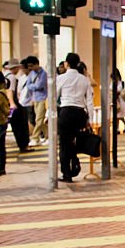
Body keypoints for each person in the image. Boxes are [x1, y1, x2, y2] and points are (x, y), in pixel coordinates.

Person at [55, 53, 93, 183]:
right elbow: (89, 101)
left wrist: (50, 114)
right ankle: (75, 162)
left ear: (66, 63)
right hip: (80, 114)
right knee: (75, 141)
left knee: (65, 144)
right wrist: (90, 119)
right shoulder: (84, 79)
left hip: (66, 112)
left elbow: (54, 97)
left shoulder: (61, 78)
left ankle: (67, 173)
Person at [24, 56, 48, 146]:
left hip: (43, 98)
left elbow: (40, 85)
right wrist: (34, 86)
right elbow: (28, 85)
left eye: (31, 66)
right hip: (35, 99)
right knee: (39, 120)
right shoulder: (31, 74)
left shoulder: (43, 74)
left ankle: (35, 138)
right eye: (29, 66)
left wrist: (33, 86)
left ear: (37, 64)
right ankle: (47, 136)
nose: (30, 68)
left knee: (39, 119)